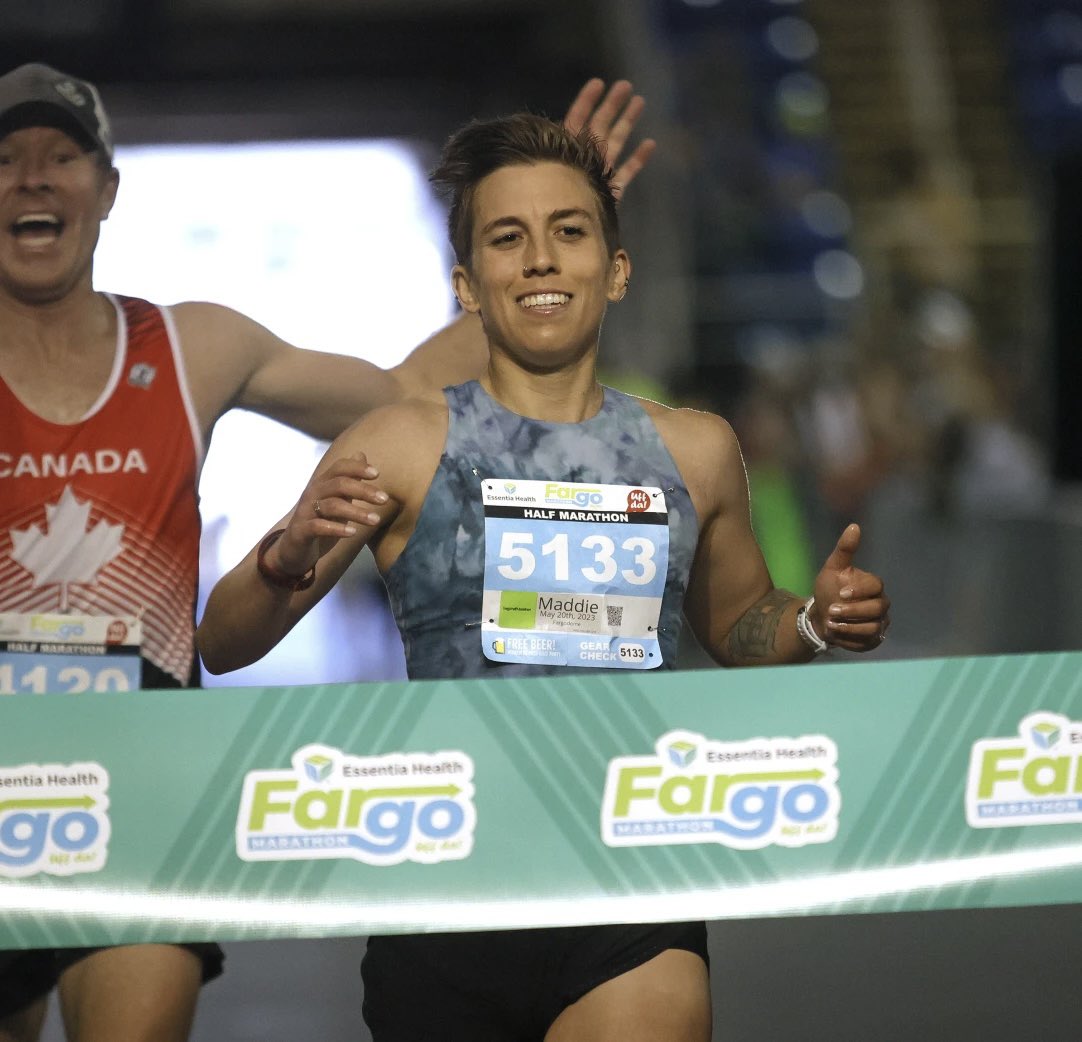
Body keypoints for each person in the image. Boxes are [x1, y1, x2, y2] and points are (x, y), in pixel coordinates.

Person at [197, 112, 891, 1040]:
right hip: (446, 886)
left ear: (615, 268)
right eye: (507, 239)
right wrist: (284, 560)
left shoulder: (695, 449)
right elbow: (224, 642)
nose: (540, 261)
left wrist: (812, 622)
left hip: (630, 878)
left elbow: (741, 625)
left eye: (569, 232)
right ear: (466, 284)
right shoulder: (399, 444)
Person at [0, 60, 653, 1042]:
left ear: (107, 189)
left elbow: (399, 392)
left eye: (60, 156)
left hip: (134, 792)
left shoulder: (194, 349)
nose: (33, 178)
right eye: (5, 159)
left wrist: (538, 254)